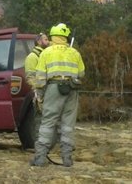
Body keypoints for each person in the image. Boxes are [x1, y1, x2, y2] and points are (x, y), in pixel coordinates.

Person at [30, 23, 85, 167]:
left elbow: (40, 77)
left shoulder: (46, 53)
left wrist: (40, 94)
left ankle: (40, 157)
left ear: (53, 36)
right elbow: (81, 73)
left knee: (48, 122)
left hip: (53, 89)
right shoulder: (75, 53)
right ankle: (67, 159)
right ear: (65, 36)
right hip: (72, 90)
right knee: (68, 124)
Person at [24, 32, 49, 140]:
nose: (48, 42)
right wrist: (37, 91)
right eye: (46, 40)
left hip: (49, 92)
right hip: (40, 93)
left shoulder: (46, 55)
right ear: (39, 42)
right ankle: (38, 141)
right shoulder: (32, 57)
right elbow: (30, 77)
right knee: (39, 119)